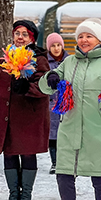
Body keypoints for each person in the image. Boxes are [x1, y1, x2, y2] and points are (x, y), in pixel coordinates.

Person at [39, 18, 101, 200]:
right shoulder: (69, 62)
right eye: (80, 36)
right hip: (71, 127)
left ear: (99, 39)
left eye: (89, 36)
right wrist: (52, 77)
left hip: (100, 129)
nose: (84, 40)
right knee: (64, 173)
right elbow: (46, 85)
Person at [0, 20, 50, 200]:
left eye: (25, 34)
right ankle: (13, 195)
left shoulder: (39, 59)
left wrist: (27, 88)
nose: (20, 37)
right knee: (9, 154)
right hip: (7, 116)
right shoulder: (5, 59)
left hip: (28, 116)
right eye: (17, 33)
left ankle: (26, 196)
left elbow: (45, 86)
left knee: (27, 153)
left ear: (32, 38)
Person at [45, 32, 68, 174]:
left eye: (58, 45)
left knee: (65, 135)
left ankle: (65, 161)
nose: (56, 48)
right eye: (53, 46)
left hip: (66, 103)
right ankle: (55, 162)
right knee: (52, 135)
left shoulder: (69, 61)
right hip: (51, 104)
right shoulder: (45, 63)